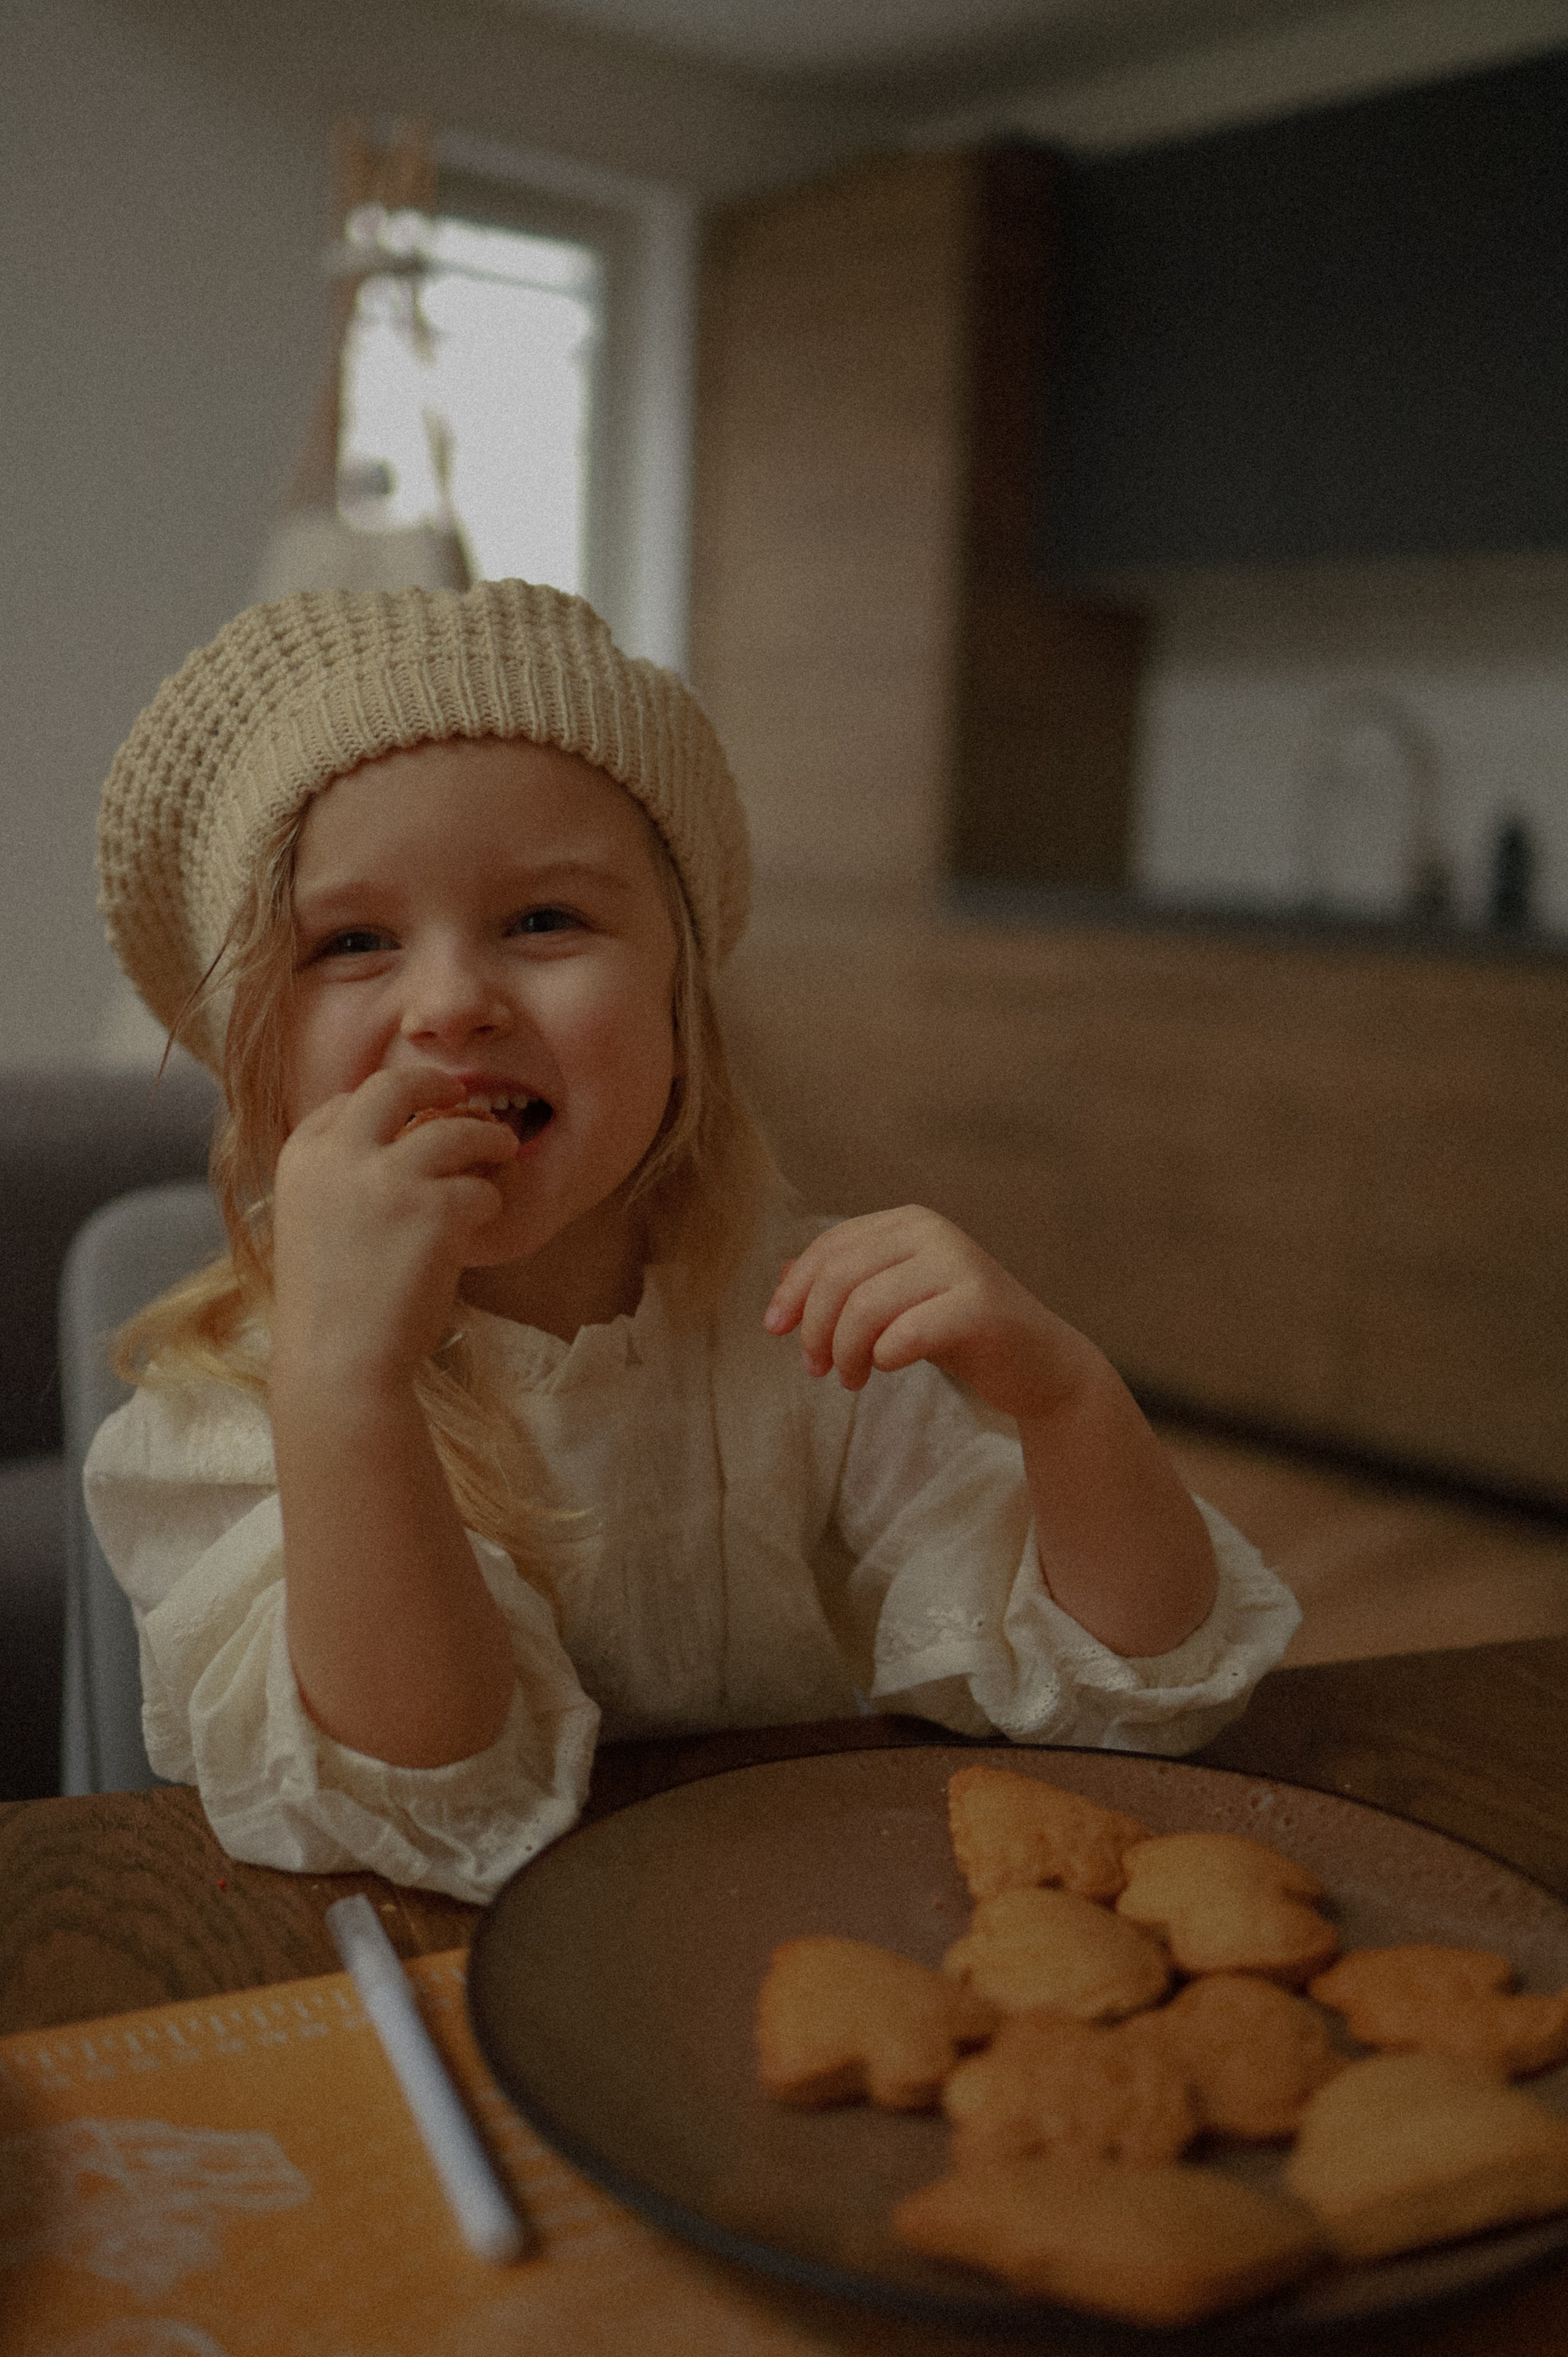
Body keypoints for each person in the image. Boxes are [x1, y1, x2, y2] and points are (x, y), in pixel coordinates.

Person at [86, 579, 1299, 1903]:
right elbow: (424, 1791)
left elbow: (1134, 1681)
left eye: (543, 919)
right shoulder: (228, 1415)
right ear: (256, 1059)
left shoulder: (800, 1330)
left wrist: (1066, 1397)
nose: (450, 1002)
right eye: (354, 941)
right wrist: (344, 1388)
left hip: (771, 1920)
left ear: (682, 1002)